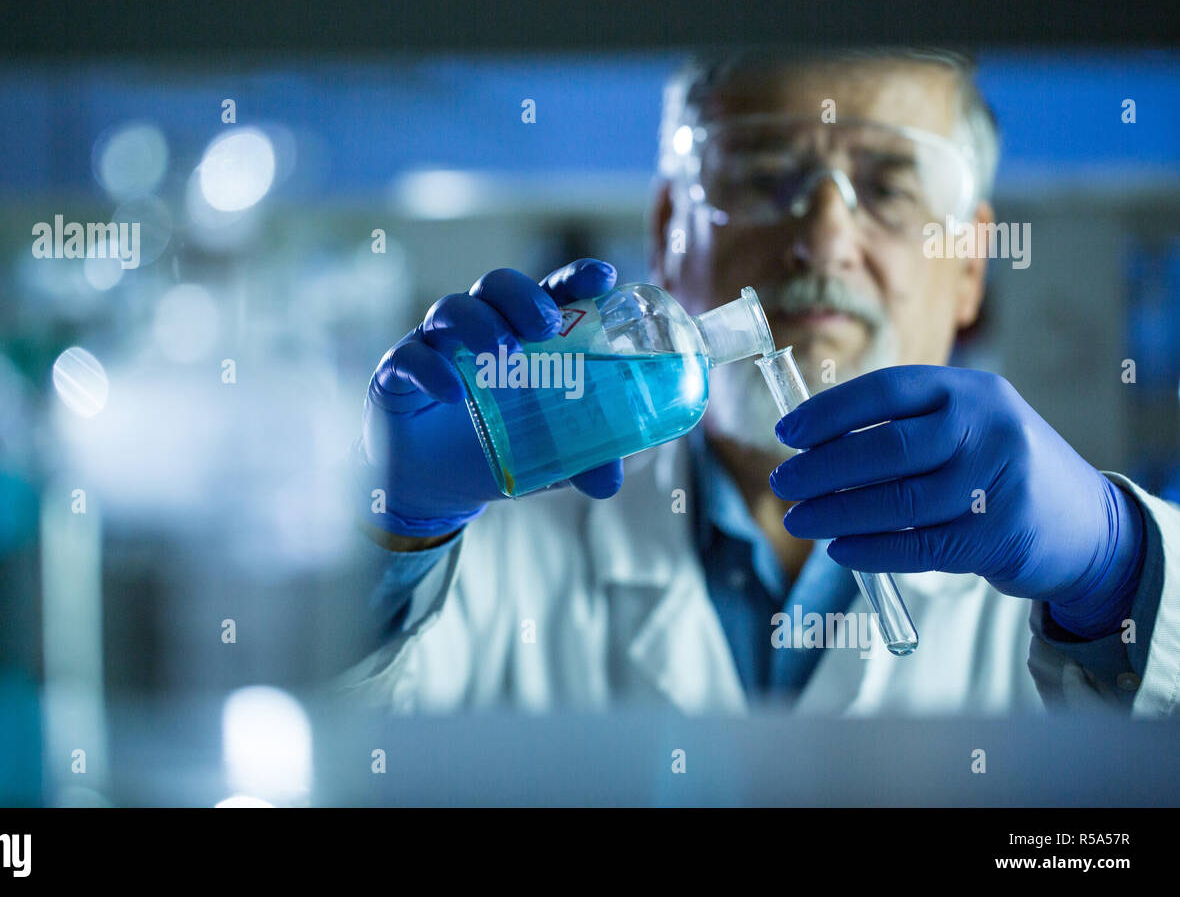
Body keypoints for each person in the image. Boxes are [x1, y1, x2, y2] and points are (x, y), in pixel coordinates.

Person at [340, 47, 1180, 715]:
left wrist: (1122, 572)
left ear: (967, 262)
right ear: (670, 229)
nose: (820, 237)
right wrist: (392, 540)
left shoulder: (1060, 576)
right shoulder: (498, 550)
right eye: (761, 178)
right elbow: (312, 751)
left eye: (887, 188)